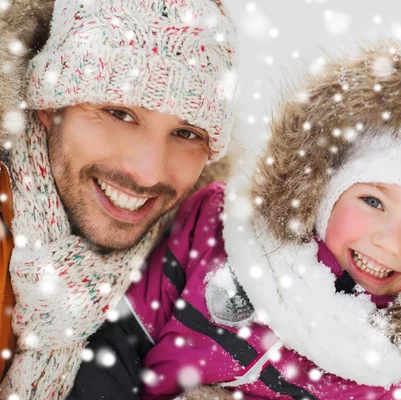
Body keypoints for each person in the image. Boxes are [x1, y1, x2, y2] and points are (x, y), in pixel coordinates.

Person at [124, 39, 401, 399]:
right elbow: (124, 335)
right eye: (374, 201)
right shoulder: (222, 231)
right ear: (327, 194)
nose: (387, 242)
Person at [0, 0, 237, 398]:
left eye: (186, 133)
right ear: (48, 105)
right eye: (119, 113)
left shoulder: (197, 267)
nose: (148, 173)